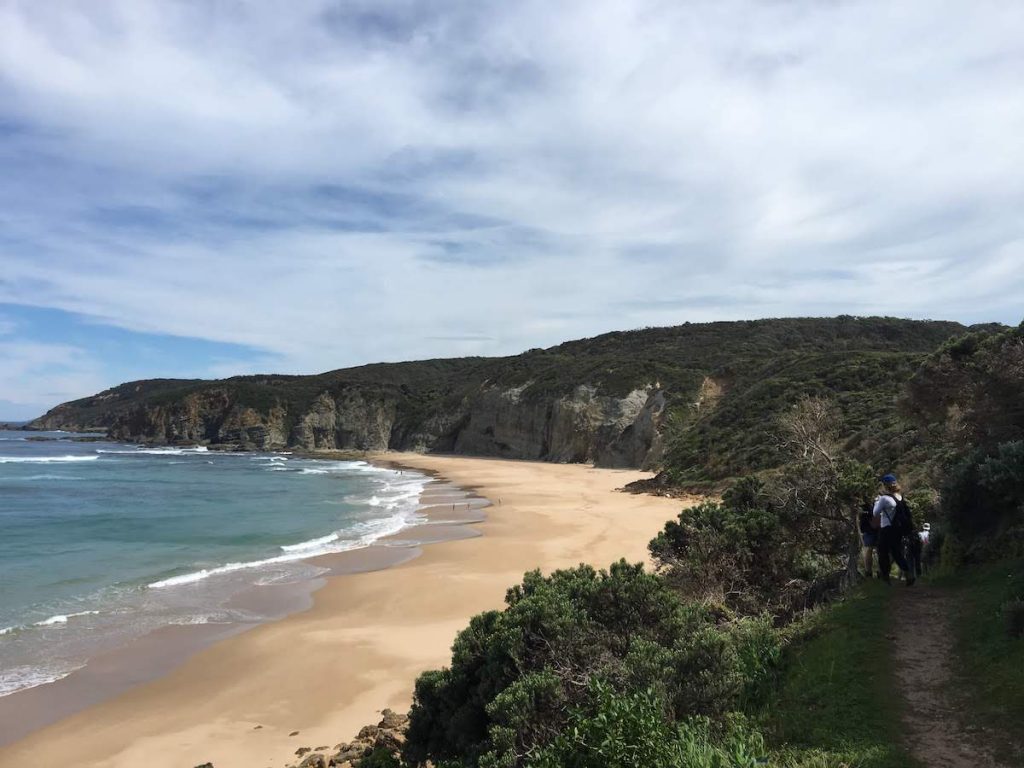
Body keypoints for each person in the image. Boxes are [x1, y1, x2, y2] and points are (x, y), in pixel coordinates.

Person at [872, 473, 915, 586]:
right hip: (898, 529)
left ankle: (885, 578)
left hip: (886, 528)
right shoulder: (899, 497)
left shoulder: (884, 499)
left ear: (885, 485)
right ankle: (908, 573)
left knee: (883, 552)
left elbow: (875, 512)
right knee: (897, 552)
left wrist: (877, 501)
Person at [858, 499, 878, 577]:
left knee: (869, 550)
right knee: (868, 550)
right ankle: (869, 572)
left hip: (874, 529)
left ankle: (871, 571)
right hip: (869, 529)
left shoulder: (876, 502)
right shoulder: (863, 505)